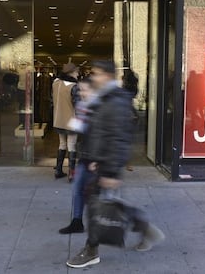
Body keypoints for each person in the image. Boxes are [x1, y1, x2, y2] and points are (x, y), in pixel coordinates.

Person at [66, 60, 165, 268]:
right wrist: (92, 158)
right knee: (106, 205)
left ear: (109, 76)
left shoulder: (116, 101)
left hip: (108, 166)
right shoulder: (103, 98)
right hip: (99, 162)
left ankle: (91, 250)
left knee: (98, 207)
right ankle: (145, 228)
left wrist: (110, 171)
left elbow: (119, 138)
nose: (94, 78)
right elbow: (98, 132)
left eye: (98, 74)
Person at [59, 76, 98, 234]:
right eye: (80, 90)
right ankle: (77, 221)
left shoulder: (101, 107)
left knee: (104, 198)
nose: (81, 93)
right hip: (85, 155)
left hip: (96, 158)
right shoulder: (83, 105)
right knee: (77, 188)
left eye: (84, 90)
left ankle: (140, 224)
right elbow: (82, 128)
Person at [52, 62, 79, 181]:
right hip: (71, 120)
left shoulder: (55, 83)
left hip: (58, 119)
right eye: (77, 72)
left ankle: (58, 170)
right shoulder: (74, 86)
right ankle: (72, 173)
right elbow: (78, 105)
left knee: (62, 144)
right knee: (72, 146)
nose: (78, 74)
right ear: (71, 73)